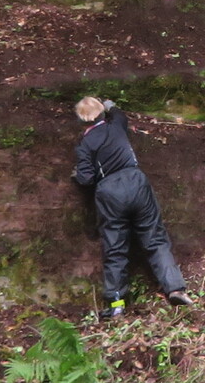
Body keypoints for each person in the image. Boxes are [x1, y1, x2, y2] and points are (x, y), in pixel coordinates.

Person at [70, 95, 189, 314]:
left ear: (81, 121)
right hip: (136, 182)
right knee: (155, 238)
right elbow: (118, 114)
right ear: (102, 114)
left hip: (110, 192)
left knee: (115, 247)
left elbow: (86, 179)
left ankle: (116, 305)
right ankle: (175, 289)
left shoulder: (85, 145)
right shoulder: (116, 125)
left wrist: (78, 173)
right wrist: (109, 105)